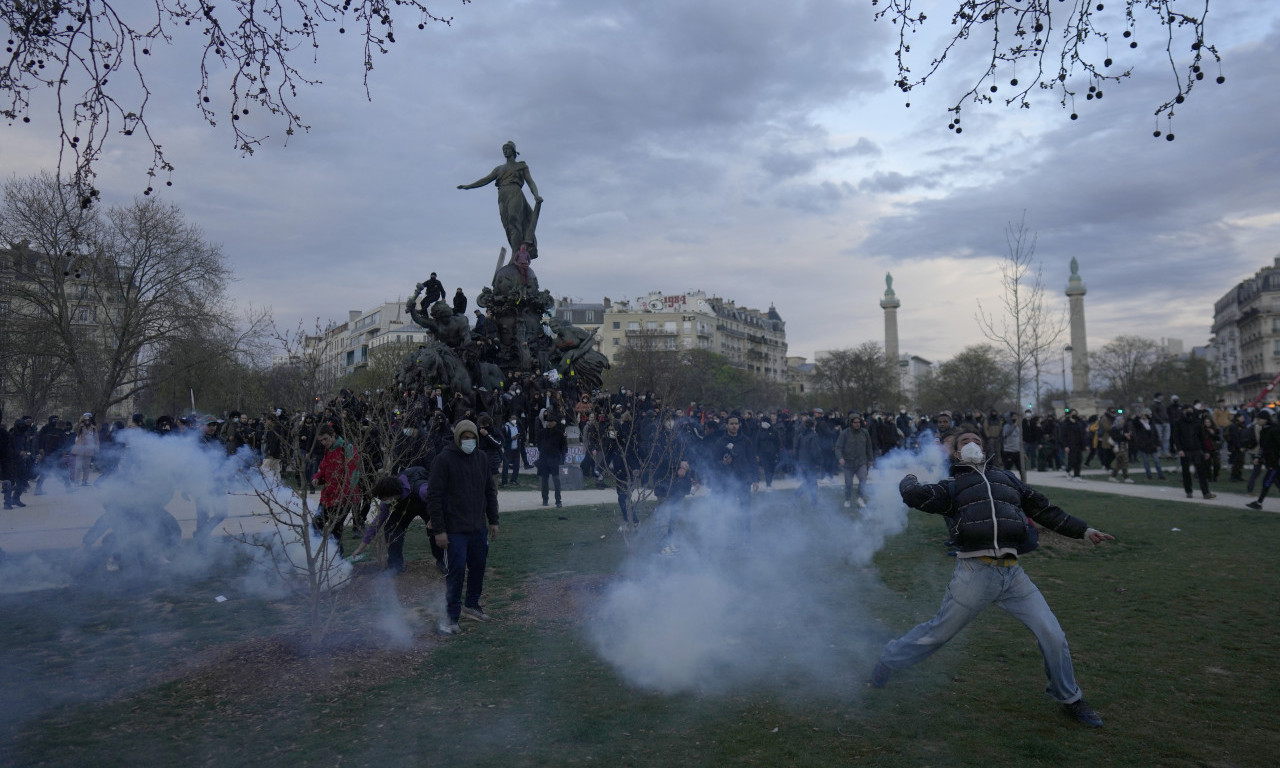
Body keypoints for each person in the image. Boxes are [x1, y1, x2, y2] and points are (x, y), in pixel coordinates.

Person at [870, 424, 1116, 728]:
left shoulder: (1007, 480)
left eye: (976, 440)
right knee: (938, 633)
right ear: (957, 452)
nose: (971, 444)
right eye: (964, 442)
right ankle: (890, 659)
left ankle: (1070, 698)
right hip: (975, 574)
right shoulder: (952, 486)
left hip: (1013, 576)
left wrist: (1084, 530)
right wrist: (908, 476)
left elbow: (1046, 510)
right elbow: (914, 496)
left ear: (984, 449)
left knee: (1052, 635)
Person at [428, 419, 500, 635]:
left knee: (478, 567)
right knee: (456, 571)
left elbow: (490, 491)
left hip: (478, 527)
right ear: (458, 438)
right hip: (454, 529)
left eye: (472, 438)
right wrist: (439, 530)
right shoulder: (444, 460)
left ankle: (472, 604)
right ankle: (451, 617)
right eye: (465, 438)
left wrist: (493, 520)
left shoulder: (481, 458)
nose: (468, 441)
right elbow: (434, 495)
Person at [457, 140, 543, 259]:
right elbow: (485, 179)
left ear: (513, 151)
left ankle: (516, 254)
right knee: (508, 225)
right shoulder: (499, 169)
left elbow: (530, 182)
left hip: (515, 192)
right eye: (503, 150)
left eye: (507, 149)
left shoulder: (521, 166)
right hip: (502, 195)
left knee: (514, 218)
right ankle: (515, 251)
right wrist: (468, 186)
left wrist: (536, 195)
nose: (505, 151)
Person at [352, 469, 446, 574]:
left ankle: (443, 560)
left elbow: (441, 501)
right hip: (404, 508)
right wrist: (361, 547)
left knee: (436, 529)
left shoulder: (422, 489)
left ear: (393, 494)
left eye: (385, 498)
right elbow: (377, 522)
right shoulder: (389, 497)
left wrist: (434, 519)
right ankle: (395, 565)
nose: (384, 501)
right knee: (392, 528)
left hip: (427, 505)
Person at [311, 424, 362, 556]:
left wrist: (342, 497)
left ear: (333, 435)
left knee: (335, 530)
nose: (323, 443)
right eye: (321, 440)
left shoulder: (347, 449)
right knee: (315, 526)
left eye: (325, 439)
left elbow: (352, 476)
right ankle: (317, 557)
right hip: (328, 496)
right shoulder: (328, 450)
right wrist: (317, 478)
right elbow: (324, 469)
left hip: (343, 499)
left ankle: (337, 560)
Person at [1171, 404, 1216, 500]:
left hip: (1197, 450)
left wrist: (1205, 451)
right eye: (1187, 410)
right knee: (1186, 472)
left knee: (1201, 472)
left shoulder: (1197, 422)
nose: (1189, 412)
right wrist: (1179, 449)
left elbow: (1202, 438)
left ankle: (1206, 492)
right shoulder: (1179, 423)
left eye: (1190, 410)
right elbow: (1176, 437)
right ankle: (1188, 491)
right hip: (1185, 450)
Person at [835, 413, 874, 509]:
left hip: (861, 462)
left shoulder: (865, 432)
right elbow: (838, 447)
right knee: (848, 483)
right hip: (848, 463)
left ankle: (859, 498)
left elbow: (869, 447)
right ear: (851, 423)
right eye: (855, 422)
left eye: (859, 422)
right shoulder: (845, 433)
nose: (857, 424)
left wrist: (870, 459)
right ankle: (847, 499)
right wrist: (840, 458)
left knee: (863, 478)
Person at [1246, 411, 1280, 510]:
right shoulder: (1264, 430)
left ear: (1265, 419)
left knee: (1267, 481)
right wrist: (1258, 457)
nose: (1258, 421)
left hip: (1274, 461)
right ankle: (1259, 503)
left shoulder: (1275, 430)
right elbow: (1262, 446)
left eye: (1259, 419)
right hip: (1269, 460)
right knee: (1275, 481)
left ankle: (1259, 503)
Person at [535, 414, 567, 507]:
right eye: (547, 421)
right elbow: (538, 444)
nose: (548, 423)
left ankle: (558, 500)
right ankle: (545, 499)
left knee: (556, 479)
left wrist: (561, 455)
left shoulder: (560, 433)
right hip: (544, 458)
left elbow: (563, 446)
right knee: (544, 480)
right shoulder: (542, 432)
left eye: (550, 421)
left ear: (555, 423)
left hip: (554, 458)